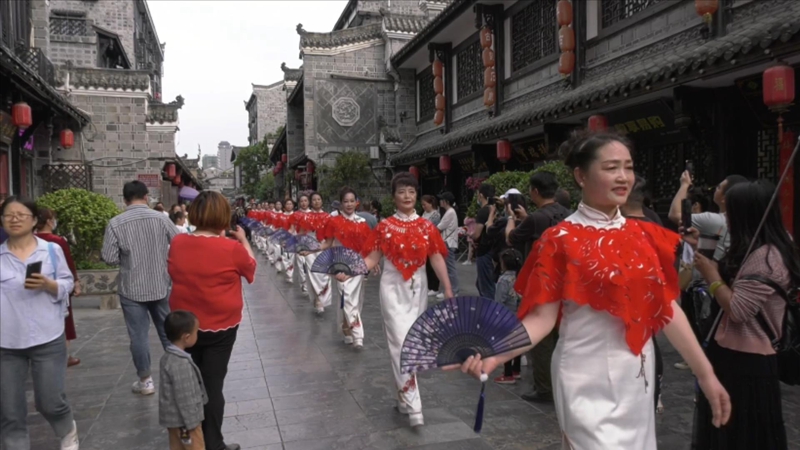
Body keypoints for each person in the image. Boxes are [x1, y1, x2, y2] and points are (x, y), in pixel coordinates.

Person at [454, 131, 731, 449]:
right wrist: (495, 353)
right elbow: (542, 318)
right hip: (583, 375)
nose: (623, 177)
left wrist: (706, 374)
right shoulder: (560, 239)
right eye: (611, 167)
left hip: (636, 374)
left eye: (628, 167)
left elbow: (667, 309)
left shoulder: (644, 236)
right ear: (580, 175)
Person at [692, 180, 795, 450]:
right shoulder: (751, 247)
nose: (727, 219)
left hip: (749, 362)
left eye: (731, 212)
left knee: (744, 436)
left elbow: (738, 309)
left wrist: (712, 277)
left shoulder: (768, 257)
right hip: (727, 354)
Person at [362, 172, 452, 427]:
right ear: (394, 197)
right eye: (402, 192)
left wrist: (447, 288)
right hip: (392, 288)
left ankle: (402, 396)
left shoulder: (427, 227)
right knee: (400, 343)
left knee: (413, 342)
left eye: (411, 192)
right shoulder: (384, 226)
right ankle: (414, 406)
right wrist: (352, 271)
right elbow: (372, 259)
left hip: (418, 289)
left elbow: (436, 257)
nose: (407, 196)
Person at [168, 191, 256, 450]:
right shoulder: (230, 248)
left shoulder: (178, 243)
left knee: (190, 382)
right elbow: (250, 268)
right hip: (220, 326)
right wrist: (243, 241)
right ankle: (213, 443)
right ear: (222, 216)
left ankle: (191, 438)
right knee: (212, 384)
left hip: (183, 327)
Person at [0, 197, 79, 450]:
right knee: (10, 410)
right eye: (8, 215)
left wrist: (49, 284)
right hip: (6, 342)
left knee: (50, 401)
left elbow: (68, 283)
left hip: (48, 336)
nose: (14, 219)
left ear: (34, 220)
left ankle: (67, 430)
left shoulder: (51, 251)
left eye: (21, 214)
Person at [102, 180, 177, 395]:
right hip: (161, 284)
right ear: (146, 197)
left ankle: (145, 381)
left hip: (131, 288)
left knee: (139, 336)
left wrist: (126, 257)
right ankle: (177, 374)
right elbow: (180, 242)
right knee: (167, 332)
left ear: (125, 200)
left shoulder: (116, 223)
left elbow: (108, 257)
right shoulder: (161, 219)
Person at [668, 172, 747, 370]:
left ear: (726, 197)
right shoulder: (744, 222)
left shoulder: (717, 220)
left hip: (712, 284)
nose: (715, 189)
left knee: (709, 330)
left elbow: (675, 215)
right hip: (731, 285)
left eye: (719, 187)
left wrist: (684, 185)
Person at [505, 172, 571, 403]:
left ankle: (545, 388)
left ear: (534, 191)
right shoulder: (568, 215)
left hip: (541, 282)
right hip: (567, 281)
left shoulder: (535, 219)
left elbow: (511, 238)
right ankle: (564, 384)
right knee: (564, 335)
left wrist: (512, 218)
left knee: (541, 339)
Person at [317, 187, 371, 348]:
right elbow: (328, 243)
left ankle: (346, 327)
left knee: (355, 299)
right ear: (340, 204)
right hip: (340, 264)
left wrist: (371, 263)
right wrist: (313, 249)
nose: (349, 204)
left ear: (357, 203)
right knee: (347, 297)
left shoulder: (362, 223)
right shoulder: (333, 222)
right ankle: (358, 335)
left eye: (352, 201)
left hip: (357, 265)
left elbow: (366, 246)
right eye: (345, 201)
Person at [35, 207, 81, 367]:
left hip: (37, 286)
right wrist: (75, 282)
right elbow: (68, 264)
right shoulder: (57, 241)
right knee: (64, 318)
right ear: (48, 221)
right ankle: (64, 354)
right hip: (58, 285)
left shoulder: (30, 239)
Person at [159, 310, 208, 450]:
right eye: (196, 332)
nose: (197, 335)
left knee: (177, 446)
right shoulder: (180, 363)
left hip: (174, 421)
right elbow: (184, 395)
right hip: (185, 423)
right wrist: (192, 422)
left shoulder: (167, 357)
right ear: (186, 337)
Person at [493, 249, 524, 385]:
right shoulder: (521, 277)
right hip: (520, 313)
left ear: (503, 264)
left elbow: (499, 300)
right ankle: (516, 370)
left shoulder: (503, 280)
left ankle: (507, 373)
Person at [299, 192, 331, 314]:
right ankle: (318, 299)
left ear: (322, 201)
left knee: (323, 274)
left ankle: (322, 297)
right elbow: (302, 233)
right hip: (309, 248)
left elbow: (330, 236)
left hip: (323, 246)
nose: (317, 201)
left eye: (319, 199)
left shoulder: (328, 217)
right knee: (313, 273)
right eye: (314, 200)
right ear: (311, 202)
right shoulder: (305, 217)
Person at [472, 184, 496, 298]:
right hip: (493, 248)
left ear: (481, 195)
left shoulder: (483, 211)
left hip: (484, 250)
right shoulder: (495, 210)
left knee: (485, 285)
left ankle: (489, 310)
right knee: (483, 281)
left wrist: (469, 235)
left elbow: (477, 234)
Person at [436, 192, 460, 299]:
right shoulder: (449, 212)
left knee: (450, 268)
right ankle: (448, 289)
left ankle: (454, 290)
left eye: (442, 200)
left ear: (446, 201)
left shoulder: (450, 212)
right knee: (446, 267)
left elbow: (439, 227)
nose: (440, 201)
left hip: (448, 242)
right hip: (447, 242)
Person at [421, 195, 441, 296]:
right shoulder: (424, 213)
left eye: (425, 205)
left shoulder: (435, 215)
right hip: (424, 241)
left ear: (430, 204)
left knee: (432, 265)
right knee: (426, 265)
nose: (423, 207)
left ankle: (434, 286)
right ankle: (429, 286)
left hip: (432, 241)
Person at [292, 194, 311, 292]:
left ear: (309, 202)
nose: (304, 203)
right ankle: (303, 283)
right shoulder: (296, 215)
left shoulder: (313, 214)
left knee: (309, 263)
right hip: (299, 241)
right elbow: (292, 229)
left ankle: (309, 284)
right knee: (300, 263)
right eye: (302, 201)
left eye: (306, 201)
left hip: (311, 242)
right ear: (299, 203)